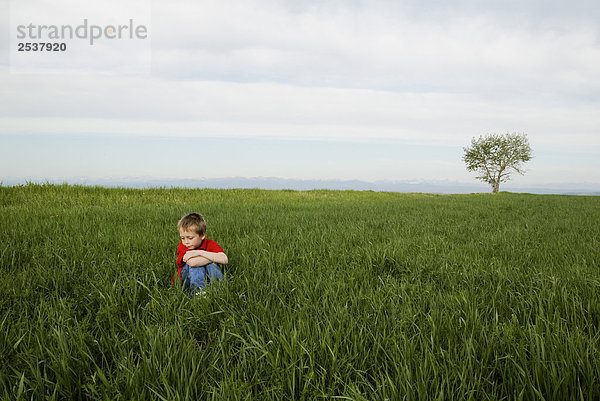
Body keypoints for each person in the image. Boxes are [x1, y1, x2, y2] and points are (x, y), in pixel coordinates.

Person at [172, 213, 228, 294]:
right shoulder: (182, 246)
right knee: (200, 266)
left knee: (212, 265)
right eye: (182, 238)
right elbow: (193, 262)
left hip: (205, 277)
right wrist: (213, 257)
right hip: (186, 281)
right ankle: (198, 293)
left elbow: (224, 259)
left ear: (202, 235)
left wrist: (198, 252)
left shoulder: (210, 243)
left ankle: (218, 289)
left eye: (190, 238)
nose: (186, 242)